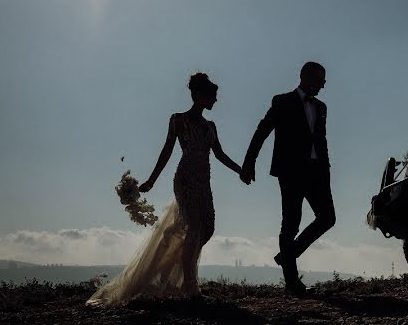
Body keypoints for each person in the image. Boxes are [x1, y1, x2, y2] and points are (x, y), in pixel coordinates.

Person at [87, 73, 246, 306]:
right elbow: (167, 151)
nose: (215, 101)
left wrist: (240, 170)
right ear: (198, 96)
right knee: (194, 228)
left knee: (207, 229)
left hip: (205, 181)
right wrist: (151, 180)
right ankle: (191, 289)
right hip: (185, 179)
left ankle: (173, 269)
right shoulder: (178, 120)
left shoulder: (211, 125)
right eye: (212, 96)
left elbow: (219, 154)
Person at [241, 61, 336, 296]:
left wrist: (326, 170)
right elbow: (262, 130)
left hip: (318, 172)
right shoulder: (281, 101)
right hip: (291, 172)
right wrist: (249, 162)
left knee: (327, 218)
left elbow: (321, 141)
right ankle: (292, 283)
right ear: (305, 77)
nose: (323, 84)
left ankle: (287, 255)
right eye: (319, 79)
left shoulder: (321, 107)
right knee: (291, 223)